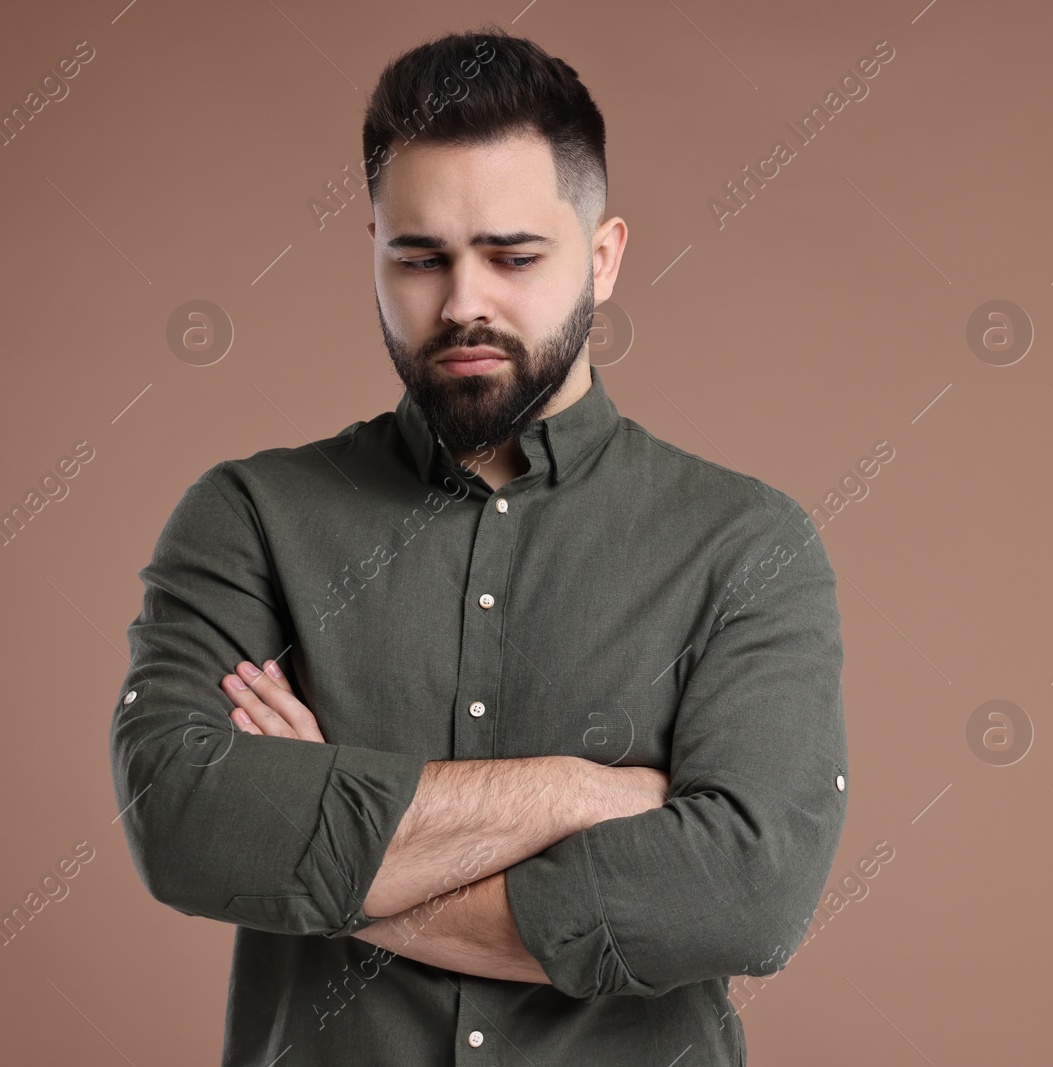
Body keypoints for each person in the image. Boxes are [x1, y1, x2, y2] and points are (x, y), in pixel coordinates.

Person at [109, 27, 848, 1066]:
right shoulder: (247, 517)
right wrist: (578, 790)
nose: (462, 302)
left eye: (513, 255)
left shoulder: (746, 544)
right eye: (419, 257)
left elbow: (744, 897)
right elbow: (183, 821)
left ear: (603, 257)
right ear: (372, 250)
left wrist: (323, 847)